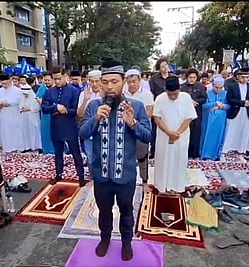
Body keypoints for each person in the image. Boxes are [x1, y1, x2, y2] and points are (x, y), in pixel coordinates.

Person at [79, 59, 151, 261]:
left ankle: (127, 243)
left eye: (114, 81)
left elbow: (147, 136)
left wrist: (133, 123)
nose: (109, 87)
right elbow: (82, 132)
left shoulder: (135, 106)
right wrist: (95, 119)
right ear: (100, 83)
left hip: (126, 174)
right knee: (104, 211)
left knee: (127, 212)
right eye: (105, 82)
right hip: (101, 174)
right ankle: (105, 239)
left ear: (123, 82)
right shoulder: (94, 106)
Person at [41, 65, 85, 187]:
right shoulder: (50, 91)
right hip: (55, 125)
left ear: (65, 76)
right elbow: (44, 108)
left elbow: (75, 110)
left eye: (59, 78)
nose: (57, 81)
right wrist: (56, 107)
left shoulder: (74, 91)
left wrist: (65, 110)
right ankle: (58, 174)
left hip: (69, 125)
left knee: (76, 153)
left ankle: (81, 177)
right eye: (55, 79)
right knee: (58, 152)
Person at [152, 76, 197, 193]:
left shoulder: (186, 98)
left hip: (181, 136)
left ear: (179, 89)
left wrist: (177, 134)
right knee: (163, 160)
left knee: (179, 161)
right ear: (166, 90)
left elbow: (189, 118)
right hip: (163, 135)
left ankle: (176, 186)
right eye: (169, 94)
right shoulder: (160, 98)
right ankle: (161, 186)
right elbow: (156, 117)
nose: (172, 96)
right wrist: (168, 132)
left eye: (175, 94)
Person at [124, 68, 154, 185]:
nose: (131, 84)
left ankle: (144, 180)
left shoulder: (146, 94)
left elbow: (149, 113)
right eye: (129, 82)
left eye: (134, 81)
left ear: (139, 80)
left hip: (141, 129)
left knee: (142, 157)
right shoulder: (123, 95)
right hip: (126, 131)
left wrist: (133, 119)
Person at [222, 68, 249, 159]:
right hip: (235, 111)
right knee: (231, 131)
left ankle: (240, 151)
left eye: (247, 77)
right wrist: (242, 103)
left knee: (244, 132)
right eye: (242, 77)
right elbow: (230, 99)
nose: (245, 79)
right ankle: (224, 151)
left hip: (246, 112)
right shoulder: (232, 86)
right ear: (238, 77)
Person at [77, 70, 103, 168]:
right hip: (89, 129)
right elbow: (79, 114)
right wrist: (85, 100)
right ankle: (93, 179)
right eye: (92, 81)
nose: (94, 84)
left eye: (97, 81)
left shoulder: (107, 92)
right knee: (91, 158)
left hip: (103, 130)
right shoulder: (84, 94)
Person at [200, 77, 230, 161]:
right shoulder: (207, 93)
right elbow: (204, 106)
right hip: (209, 119)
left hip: (220, 120)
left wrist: (222, 106)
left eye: (220, 88)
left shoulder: (225, 94)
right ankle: (205, 154)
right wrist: (215, 103)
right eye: (216, 87)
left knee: (218, 136)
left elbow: (229, 106)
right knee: (207, 135)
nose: (218, 90)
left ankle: (216, 155)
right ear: (213, 85)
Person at [180, 68, 207, 159]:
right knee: (185, 132)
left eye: (194, 77)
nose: (192, 79)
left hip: (197, 112)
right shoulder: (182, 87)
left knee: (196, 133)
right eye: (190, 77)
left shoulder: (201, 86)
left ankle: (194, 153)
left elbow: (204, 98)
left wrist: (196, 101)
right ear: (187, 77)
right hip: (184, 114)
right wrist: (188, 102)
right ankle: (185, 152)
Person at [0, 73, 24, 152]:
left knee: (14, 129)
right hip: (4, 113)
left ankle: (16, 147)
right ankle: (7, 147)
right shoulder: (0, 90)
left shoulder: (17, 90)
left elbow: (17, 100)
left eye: (5, 83)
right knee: (5, 130)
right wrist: (1, 102)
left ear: (10, 81)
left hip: (13, 112)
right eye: (2, 84)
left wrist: (7, 103)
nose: (4, 85)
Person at [20, 79, 42, 153]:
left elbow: (37, 107)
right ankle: (27, 147)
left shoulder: (34, 97)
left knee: (34, 132)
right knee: (25, 132)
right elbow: (20, 106)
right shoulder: (21, 97)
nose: (25, 95)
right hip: (24, 118)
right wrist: (23, 108)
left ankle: (35, 146)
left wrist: (30, 108)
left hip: (33, 117)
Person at [36, 72, 55, 154]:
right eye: (45, 80)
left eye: (48, 80)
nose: (47, 82)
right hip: (45, 114)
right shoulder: (42, 88)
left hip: (54, 113)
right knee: (45, 131)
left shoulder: (56, 89)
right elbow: (38, 98)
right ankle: (46, 149)